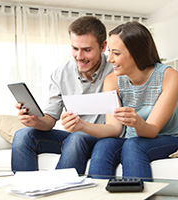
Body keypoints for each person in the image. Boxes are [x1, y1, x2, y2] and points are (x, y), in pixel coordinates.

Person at [61, 21, 178, 179]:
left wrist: (136, 122)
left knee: (133, 145)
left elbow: (152, 130)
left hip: (168, 138)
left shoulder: (169, 76)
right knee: (104, 145)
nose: (109, 59)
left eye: (116, 53)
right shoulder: (112, 80)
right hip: (132, 140)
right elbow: (114, 129)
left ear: (137, 53)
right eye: (109, 52)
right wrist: (81, 125)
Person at [11, 16, 113, 174]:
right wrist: (35, 120)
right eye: (75, 48)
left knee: (76, 137)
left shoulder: (116, 70)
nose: (79, 57)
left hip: (104, 139)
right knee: (23, 135)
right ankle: (26, 193)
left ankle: (60, 191)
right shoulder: (60, 74)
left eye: (87, 50)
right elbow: (49, 120)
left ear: (103, 46)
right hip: (75, 139)